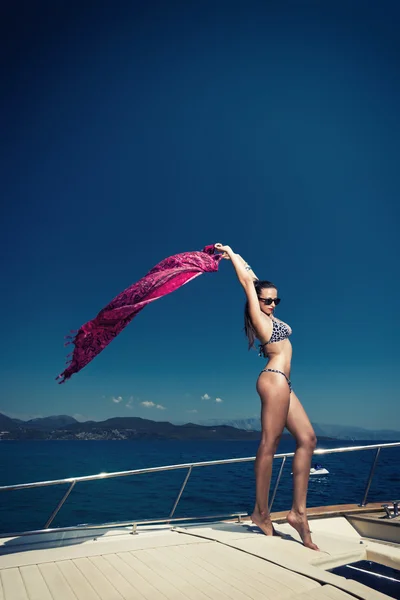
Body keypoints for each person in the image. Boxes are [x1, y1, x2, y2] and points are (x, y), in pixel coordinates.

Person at [215, 243, 319, 550]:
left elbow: (253, 277)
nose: (272, 304)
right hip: (273, 380)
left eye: (275, 300)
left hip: (284, 383)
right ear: (257, 302)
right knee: (269, 444)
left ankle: (297, 513)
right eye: (267, 300)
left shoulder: (270, 314)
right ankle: (261, 512)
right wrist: (232, 254)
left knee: (308, 439)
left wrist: (242, 260)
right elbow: (247, 282)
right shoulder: (257, 316)